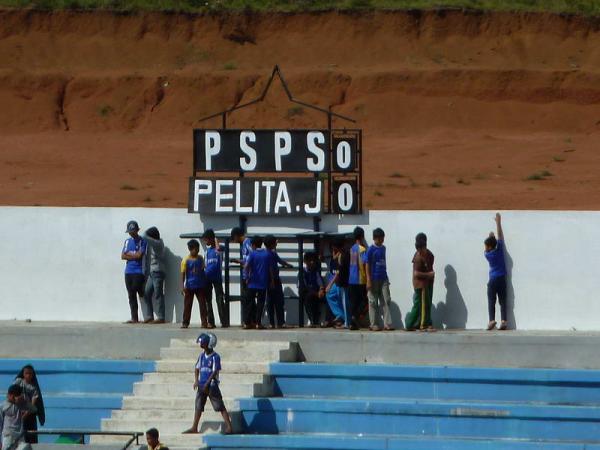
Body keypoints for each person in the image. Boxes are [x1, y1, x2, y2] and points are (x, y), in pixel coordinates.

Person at [183, 333, 233, 435]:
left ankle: (229, 427)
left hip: (212, 386)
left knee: (219, 406)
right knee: (198, 406)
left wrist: (207, 383)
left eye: (203, 344)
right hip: (201, 385)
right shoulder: (201, 356)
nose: (202, 346)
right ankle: (194, 427)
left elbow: (214, 372)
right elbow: (197, 368)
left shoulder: (215, 357)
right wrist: (196, 380)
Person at [405, 233, 435, 331]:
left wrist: (430, 277)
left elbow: (429, 268)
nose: (419, 252)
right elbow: (416, 274)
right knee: (420, 305)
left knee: (427, 304)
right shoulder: (418, 257)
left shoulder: (430, 255)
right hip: (420, 284)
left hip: (428, 283)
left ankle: (421, 323)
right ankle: (421, 325)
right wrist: (429, 275)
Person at [365, 228, 394, 331]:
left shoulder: (383, 248)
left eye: (382, 238)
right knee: (373, 301)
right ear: (374, 238)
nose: (381, 240)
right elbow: (367, 264)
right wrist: (368, 279)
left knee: (386, 300)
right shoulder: (370, 250)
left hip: (383, 278)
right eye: (379, 238)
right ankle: (373, 324)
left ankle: (387, 323)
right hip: (373, 279)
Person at [180, 239, 211, 329]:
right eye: (195, 249)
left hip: (200, 285)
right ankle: (185, 322)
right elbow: (183, 274)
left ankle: (204, 322)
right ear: (190, 249)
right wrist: (182, 286)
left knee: (202, 305)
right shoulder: (185, 260)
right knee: (187, 305)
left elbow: (203, 269)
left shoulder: (200, 258)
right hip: (189, 286)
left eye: (198, 249)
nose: (197, 251)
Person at [485, 213, 508, 331]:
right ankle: (504, 320)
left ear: (488, 247)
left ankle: (491, 320)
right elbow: (500, 236)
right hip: (502, 278)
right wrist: (498, 222)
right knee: (502, 300)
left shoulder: (488, 254)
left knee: (491, 300)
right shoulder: (499, 250)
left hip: (493, 279)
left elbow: (488, 246)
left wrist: (490, 236)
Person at [121, 220, 147, 324]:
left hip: (138, 270)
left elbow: (139, 255)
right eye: (130, 232)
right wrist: (134, 255)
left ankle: (141, 290)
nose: (131, 233)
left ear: (137, 230)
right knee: (131, 294)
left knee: (135, 287)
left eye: (133, 231)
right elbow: (123, 256)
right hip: (128, 271)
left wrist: (130, 255)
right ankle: (134, 317)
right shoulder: (127, 241)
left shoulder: (142, 241)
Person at [264, 235, 293, 329]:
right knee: (277, 302)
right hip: (273, 280)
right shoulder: (270, 254)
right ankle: (280, 322)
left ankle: (272, 323)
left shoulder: (269, 253)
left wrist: (288, 265)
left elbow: (280, 261)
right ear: (272, 244)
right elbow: (271, 268)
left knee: (271, 302)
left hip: (269, 280)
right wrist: (272, 281)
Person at [243, 236, 271, 330]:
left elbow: (246, 266)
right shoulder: (267, 254)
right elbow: (270, 269)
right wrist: (272, 281)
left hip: (252, 282)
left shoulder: (252, 254)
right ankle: (258, 323)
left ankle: (247, 322)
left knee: (249, 302)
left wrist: (247, 277)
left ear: (253, 245)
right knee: (260, 304)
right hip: (263, 282)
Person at [203, 229, 229, 328]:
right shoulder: (207, 252)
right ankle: (211, 321)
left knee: (219, 299)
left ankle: (224, 321)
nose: (206, 242)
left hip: (217, 278)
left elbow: (220, 249)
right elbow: (205, 265)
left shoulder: (219, 249)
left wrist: (216, 240)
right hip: (207, 279)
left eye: (207, 239)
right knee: (208, 300)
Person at [13, 366, 44, 444]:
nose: (28, 375)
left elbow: (33, 405)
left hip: (29, 416)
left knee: (31, 438)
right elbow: (12, 394)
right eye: (26, 373)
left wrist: (24, 416)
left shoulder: (34, 388)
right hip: (18, 413)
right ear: (23, 374)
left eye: (30, 373)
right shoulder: (19, 382)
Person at [299, 252, 331, 327]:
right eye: (310, 260)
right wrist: (317, 293)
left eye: (313, 260)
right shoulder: (302, 272)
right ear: (305, 261)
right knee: (308, 299)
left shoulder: (315, 272)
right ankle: (312, 320)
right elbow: (304, 287)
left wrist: (321, 290)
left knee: (329, 298)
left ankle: (327, 320)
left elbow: (320, 282)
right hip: (307, 293)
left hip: (317, 292)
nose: (312, 262)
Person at [0, 384, 37, 450]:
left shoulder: (20, 405)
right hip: (8, 436)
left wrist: (24, 402)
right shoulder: (3, 406)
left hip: (20, 436)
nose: (13, 397)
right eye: (11, 395)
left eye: (15, 396)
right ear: (8, 394)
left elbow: (34, 409)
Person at [325, 238, 351, 328]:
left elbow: (338, 272)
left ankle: (347, 322)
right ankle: (344, 319)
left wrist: (330, 284)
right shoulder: (342, 254)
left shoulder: (343, 255)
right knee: (341, 301)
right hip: (341, 282)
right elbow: (335, 259)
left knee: (344, 302)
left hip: (343, 282)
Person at [142, 226, 166, 324]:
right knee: (147, 293)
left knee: (158, 294)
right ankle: (149, 315)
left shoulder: (157, 243)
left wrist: (147, 233)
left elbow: (144, 236)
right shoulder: (155, 243)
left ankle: (161, 317)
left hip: (158, 271)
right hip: (153, 272)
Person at [230, 227, 253, 326]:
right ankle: (251, 320)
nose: (234, 241)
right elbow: (246, 260)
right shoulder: (244, 244)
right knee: (247, 299)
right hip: (246, 275)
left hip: (249, 276)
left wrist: (248, 276)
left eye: (233, 238)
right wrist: (238, 261)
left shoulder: (247, 243)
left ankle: (248, 321)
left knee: (247, 300)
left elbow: (252, 258)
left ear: (236, 236)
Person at [347, 227, 368, 331]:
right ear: (362, 236)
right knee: (364, 301)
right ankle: (355, 317)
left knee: (353, 303)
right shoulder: (362, 249)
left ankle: (352, 322)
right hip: (360, 280)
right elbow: (365, 264)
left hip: (351, 279)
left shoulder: (351, 249)